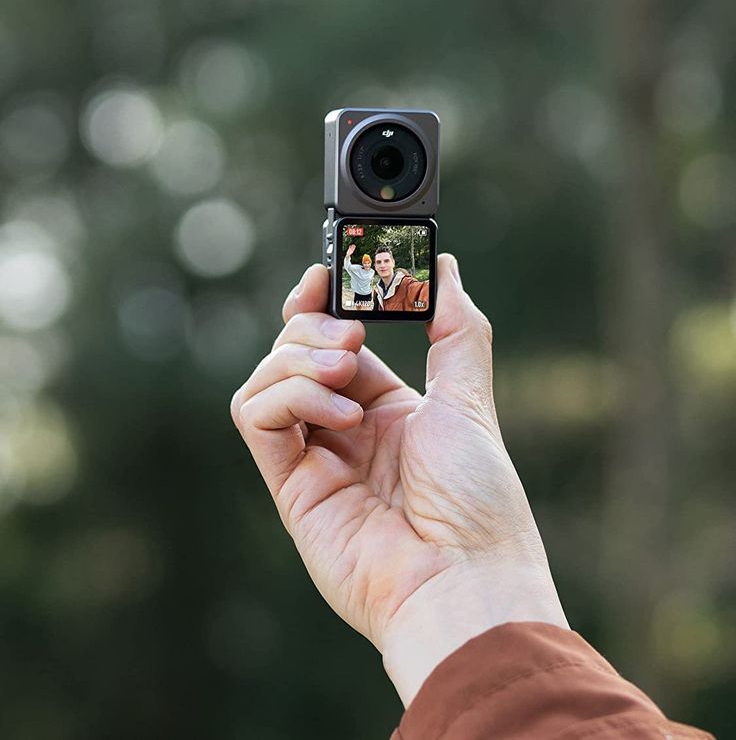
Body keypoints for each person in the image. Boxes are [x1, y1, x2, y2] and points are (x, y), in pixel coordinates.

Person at [230, 255, 713, 739]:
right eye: (375, 258)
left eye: (383, 257)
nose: (380, 262)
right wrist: (460, 580)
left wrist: (459, 578)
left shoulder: (401, 284)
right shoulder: (372, 283)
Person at [373, 244, 429, 313]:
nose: (382, 265)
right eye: (378, 262)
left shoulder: (407, 285)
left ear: (393, 263)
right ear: (375, 266)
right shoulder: (377, 292)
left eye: (386, 261)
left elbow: (424, 289)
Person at [343, 243, 375, 309]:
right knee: (358, 308)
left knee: (365, 309)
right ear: (362, 264)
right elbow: (347, 266)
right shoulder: (357, 269)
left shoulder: (372, 271)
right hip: (358, 293)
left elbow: (370, 281)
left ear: (371, 263)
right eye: (365, 263)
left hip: (367, 293)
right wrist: (347, 256)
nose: (367, 265)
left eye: (368, 263)